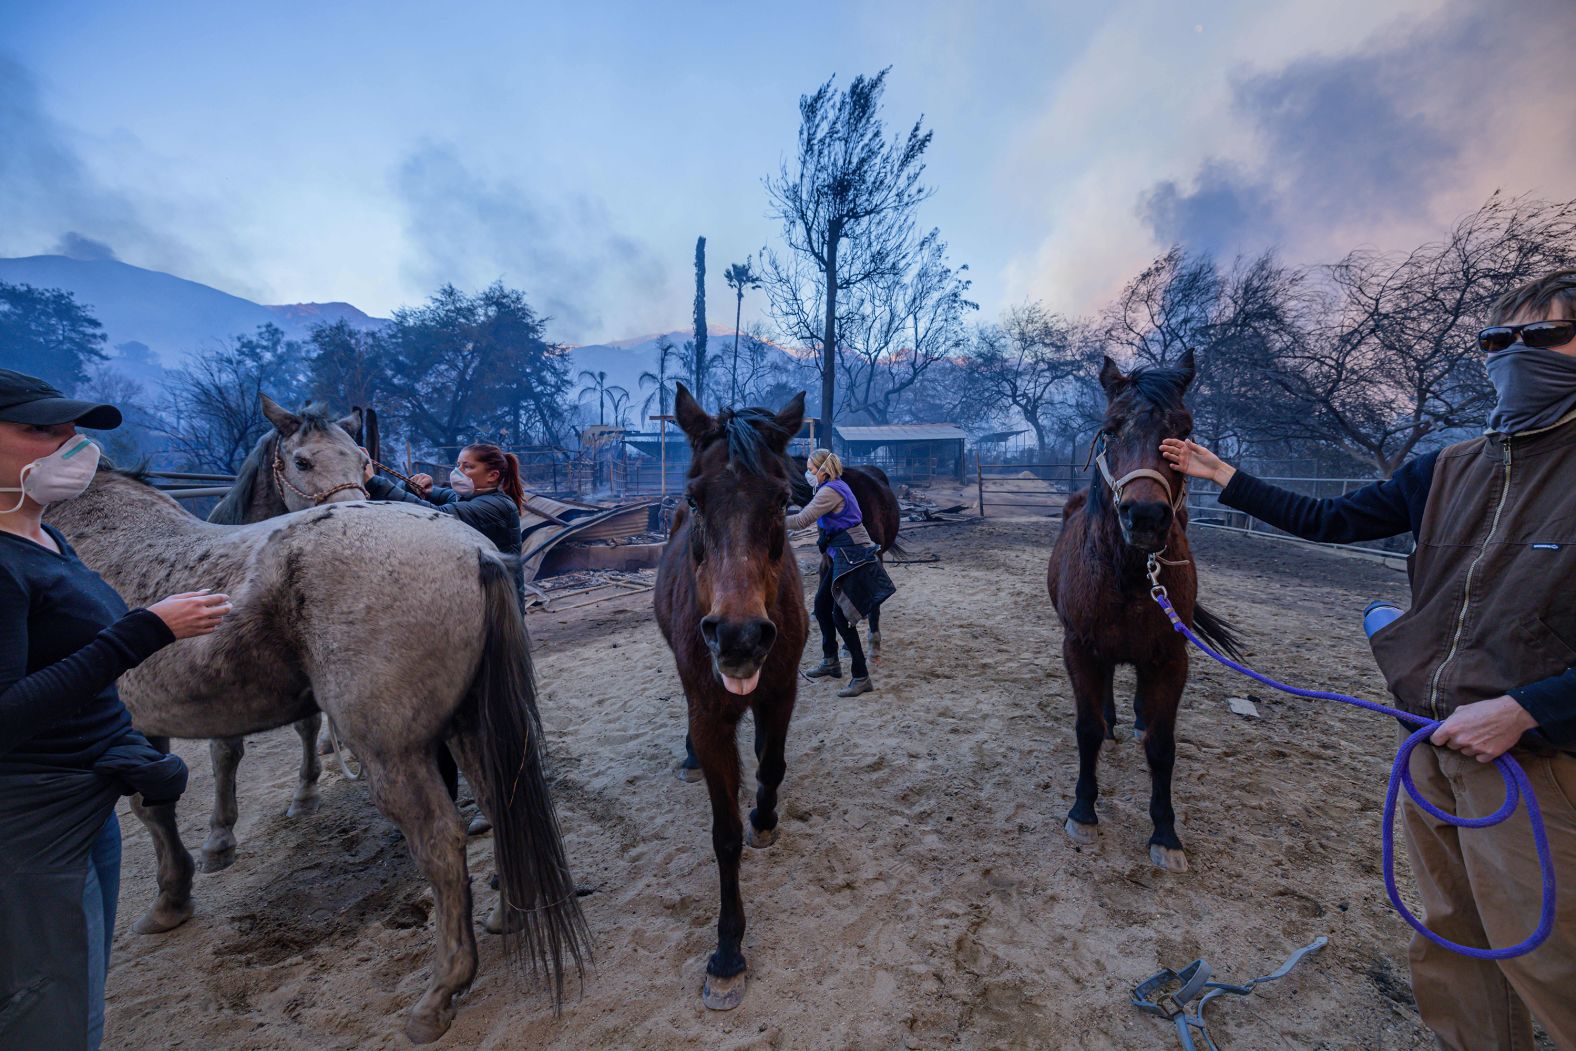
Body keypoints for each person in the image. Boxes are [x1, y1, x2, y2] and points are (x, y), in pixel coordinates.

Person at [1160, 270, 1576, 1051]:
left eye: (1545, 337)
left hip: (1539, 759)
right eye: (1499, 340)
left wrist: (1528, 708)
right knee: (1452, 934)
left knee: (1553, 954)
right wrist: (1225, 477)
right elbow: (1334, 517)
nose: (1518, 355)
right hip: (1429, 737)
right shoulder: (1450, 466)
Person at [0, 368, 232, 1050]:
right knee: (51, 1021)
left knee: (79, 1005)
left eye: (71, 428)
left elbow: (73, 671)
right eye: (39, 429)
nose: (70, 445)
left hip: (83, 804)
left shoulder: (42, 539)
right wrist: (148, 628)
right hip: (29, 827)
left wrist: (121, 745)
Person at [364, 442, 526, 834]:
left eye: (467, 467)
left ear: (493, 476)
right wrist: (427, 486)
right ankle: (464, 803)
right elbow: (446, 497)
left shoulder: (498, 507)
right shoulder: (481, 497)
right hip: (474, 621)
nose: (459, 472)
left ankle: (505, 803)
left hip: (495, 625)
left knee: (491, 719)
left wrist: (377, 483)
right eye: (458, 464)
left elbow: (439, 516)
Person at [787, 448, 894, 698]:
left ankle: (861, 676)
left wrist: (768, 519)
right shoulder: (835, 486)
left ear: (824, 469)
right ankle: (831, 661)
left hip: (851, 554)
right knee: (821, 606)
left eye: (812, 468)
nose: (809, 473)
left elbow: (802, 520)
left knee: (839, 615)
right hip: (840, 553)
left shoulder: (831, 491)